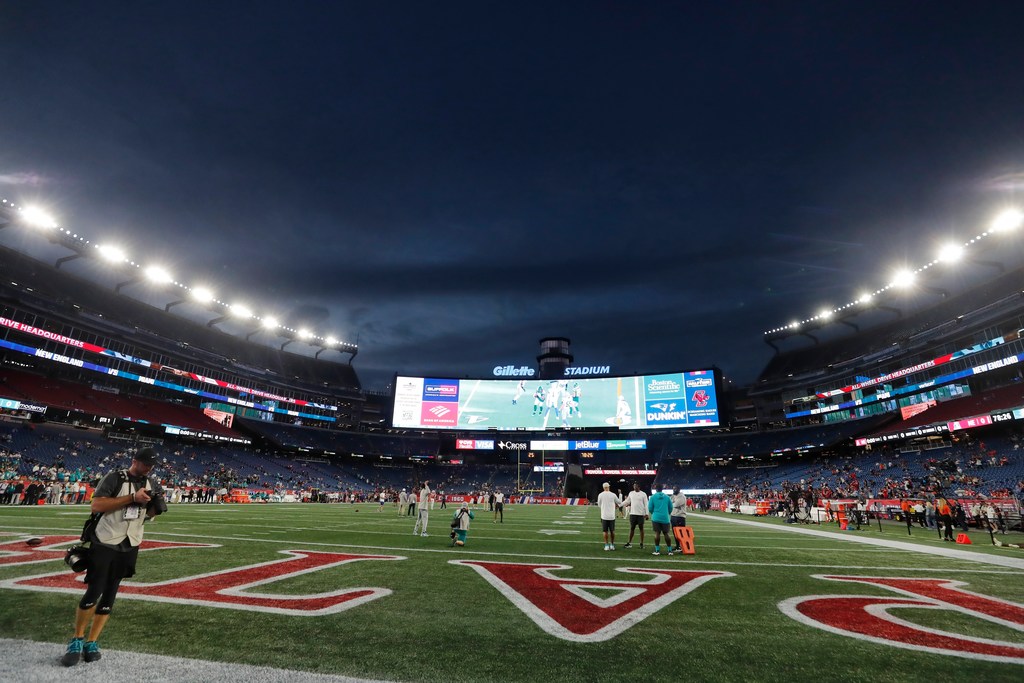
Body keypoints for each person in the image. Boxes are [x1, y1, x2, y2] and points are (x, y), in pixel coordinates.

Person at [61, 448, 165, 667]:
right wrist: (131, 498)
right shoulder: (114, 478)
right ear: (134, 460)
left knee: (110, 594)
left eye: (151, 465)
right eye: (145, 463)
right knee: (94, 590)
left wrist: (154, 506)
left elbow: (148, 515)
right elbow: (97, 505)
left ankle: (92, 641)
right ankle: (77, 639)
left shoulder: (151, 483)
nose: (148, 468)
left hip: (131, 542)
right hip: (106, 540)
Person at [622, 482, 649, 549]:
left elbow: (646, 504)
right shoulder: (631, 493)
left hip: (640, 514)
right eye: (634, 486)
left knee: (641, 529)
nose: (634, 487)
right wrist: (619, 504)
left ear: (639, 487)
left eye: (635, 486)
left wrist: (647, 513)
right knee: (632, 528)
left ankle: (642, 543)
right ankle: (629, 543)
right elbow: (627, 501)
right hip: (633, 514)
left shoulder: (643, 494)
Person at [597, 482, 619, 551]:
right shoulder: (613, 494)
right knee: (612, 531)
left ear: (603, 488)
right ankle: (612, 545)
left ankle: (606, 545)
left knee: (605, 531)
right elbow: (619, 502)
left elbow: (599, 505)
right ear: (608, 487)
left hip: (604, 516)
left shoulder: (600, 495)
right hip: (612, 516)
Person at [670, 488, 688, 554]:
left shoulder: (682, 496)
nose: (674, 490)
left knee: (681, 533)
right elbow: (670, 502)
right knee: (675, 533)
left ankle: (682, 547)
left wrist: (672, 503)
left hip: (680, 516)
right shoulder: (673, 496)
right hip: (673, 516)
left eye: (675, 489)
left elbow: (675, 505)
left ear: (679, 490)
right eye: (673, 489)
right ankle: (678, 546)